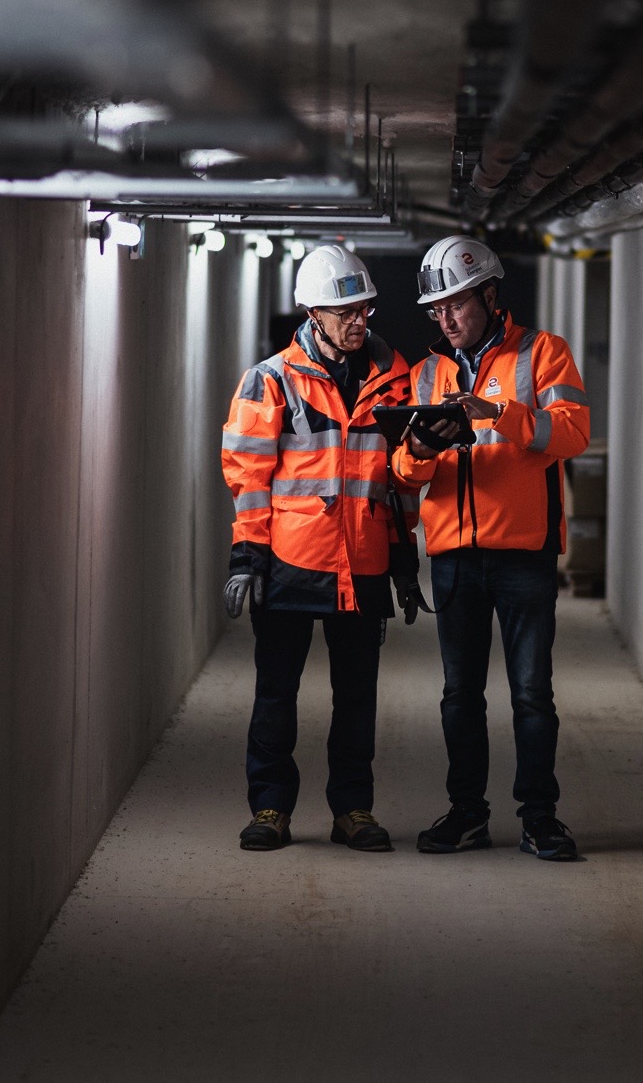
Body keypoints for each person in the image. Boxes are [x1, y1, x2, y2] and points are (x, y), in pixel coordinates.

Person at [391, 236, 590, 861]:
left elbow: (572, 434)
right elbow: (402, 471)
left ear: (489, 294)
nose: (446, 320)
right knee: (459, 695)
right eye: (437, 310)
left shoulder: (543, 354)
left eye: (456, 304)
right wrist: (420, 452)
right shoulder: (426, 373)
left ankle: (540, 818)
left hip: (522, 554)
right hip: (452, 554)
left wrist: (496, 411)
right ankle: (467, 813)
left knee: (531, 693)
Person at [220, 243, 422, 854]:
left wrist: (404, 557)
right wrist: (247, 556)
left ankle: (352, 810)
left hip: (362, 565)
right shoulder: (271, 380)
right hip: (289, 565)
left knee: (357, 700)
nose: (360, 321)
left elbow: (398, 478)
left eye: (364, 309)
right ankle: (271, 807)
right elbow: (247, 476)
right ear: (314, 315)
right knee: (275, 696)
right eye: (346, 312)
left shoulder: (398, 377)